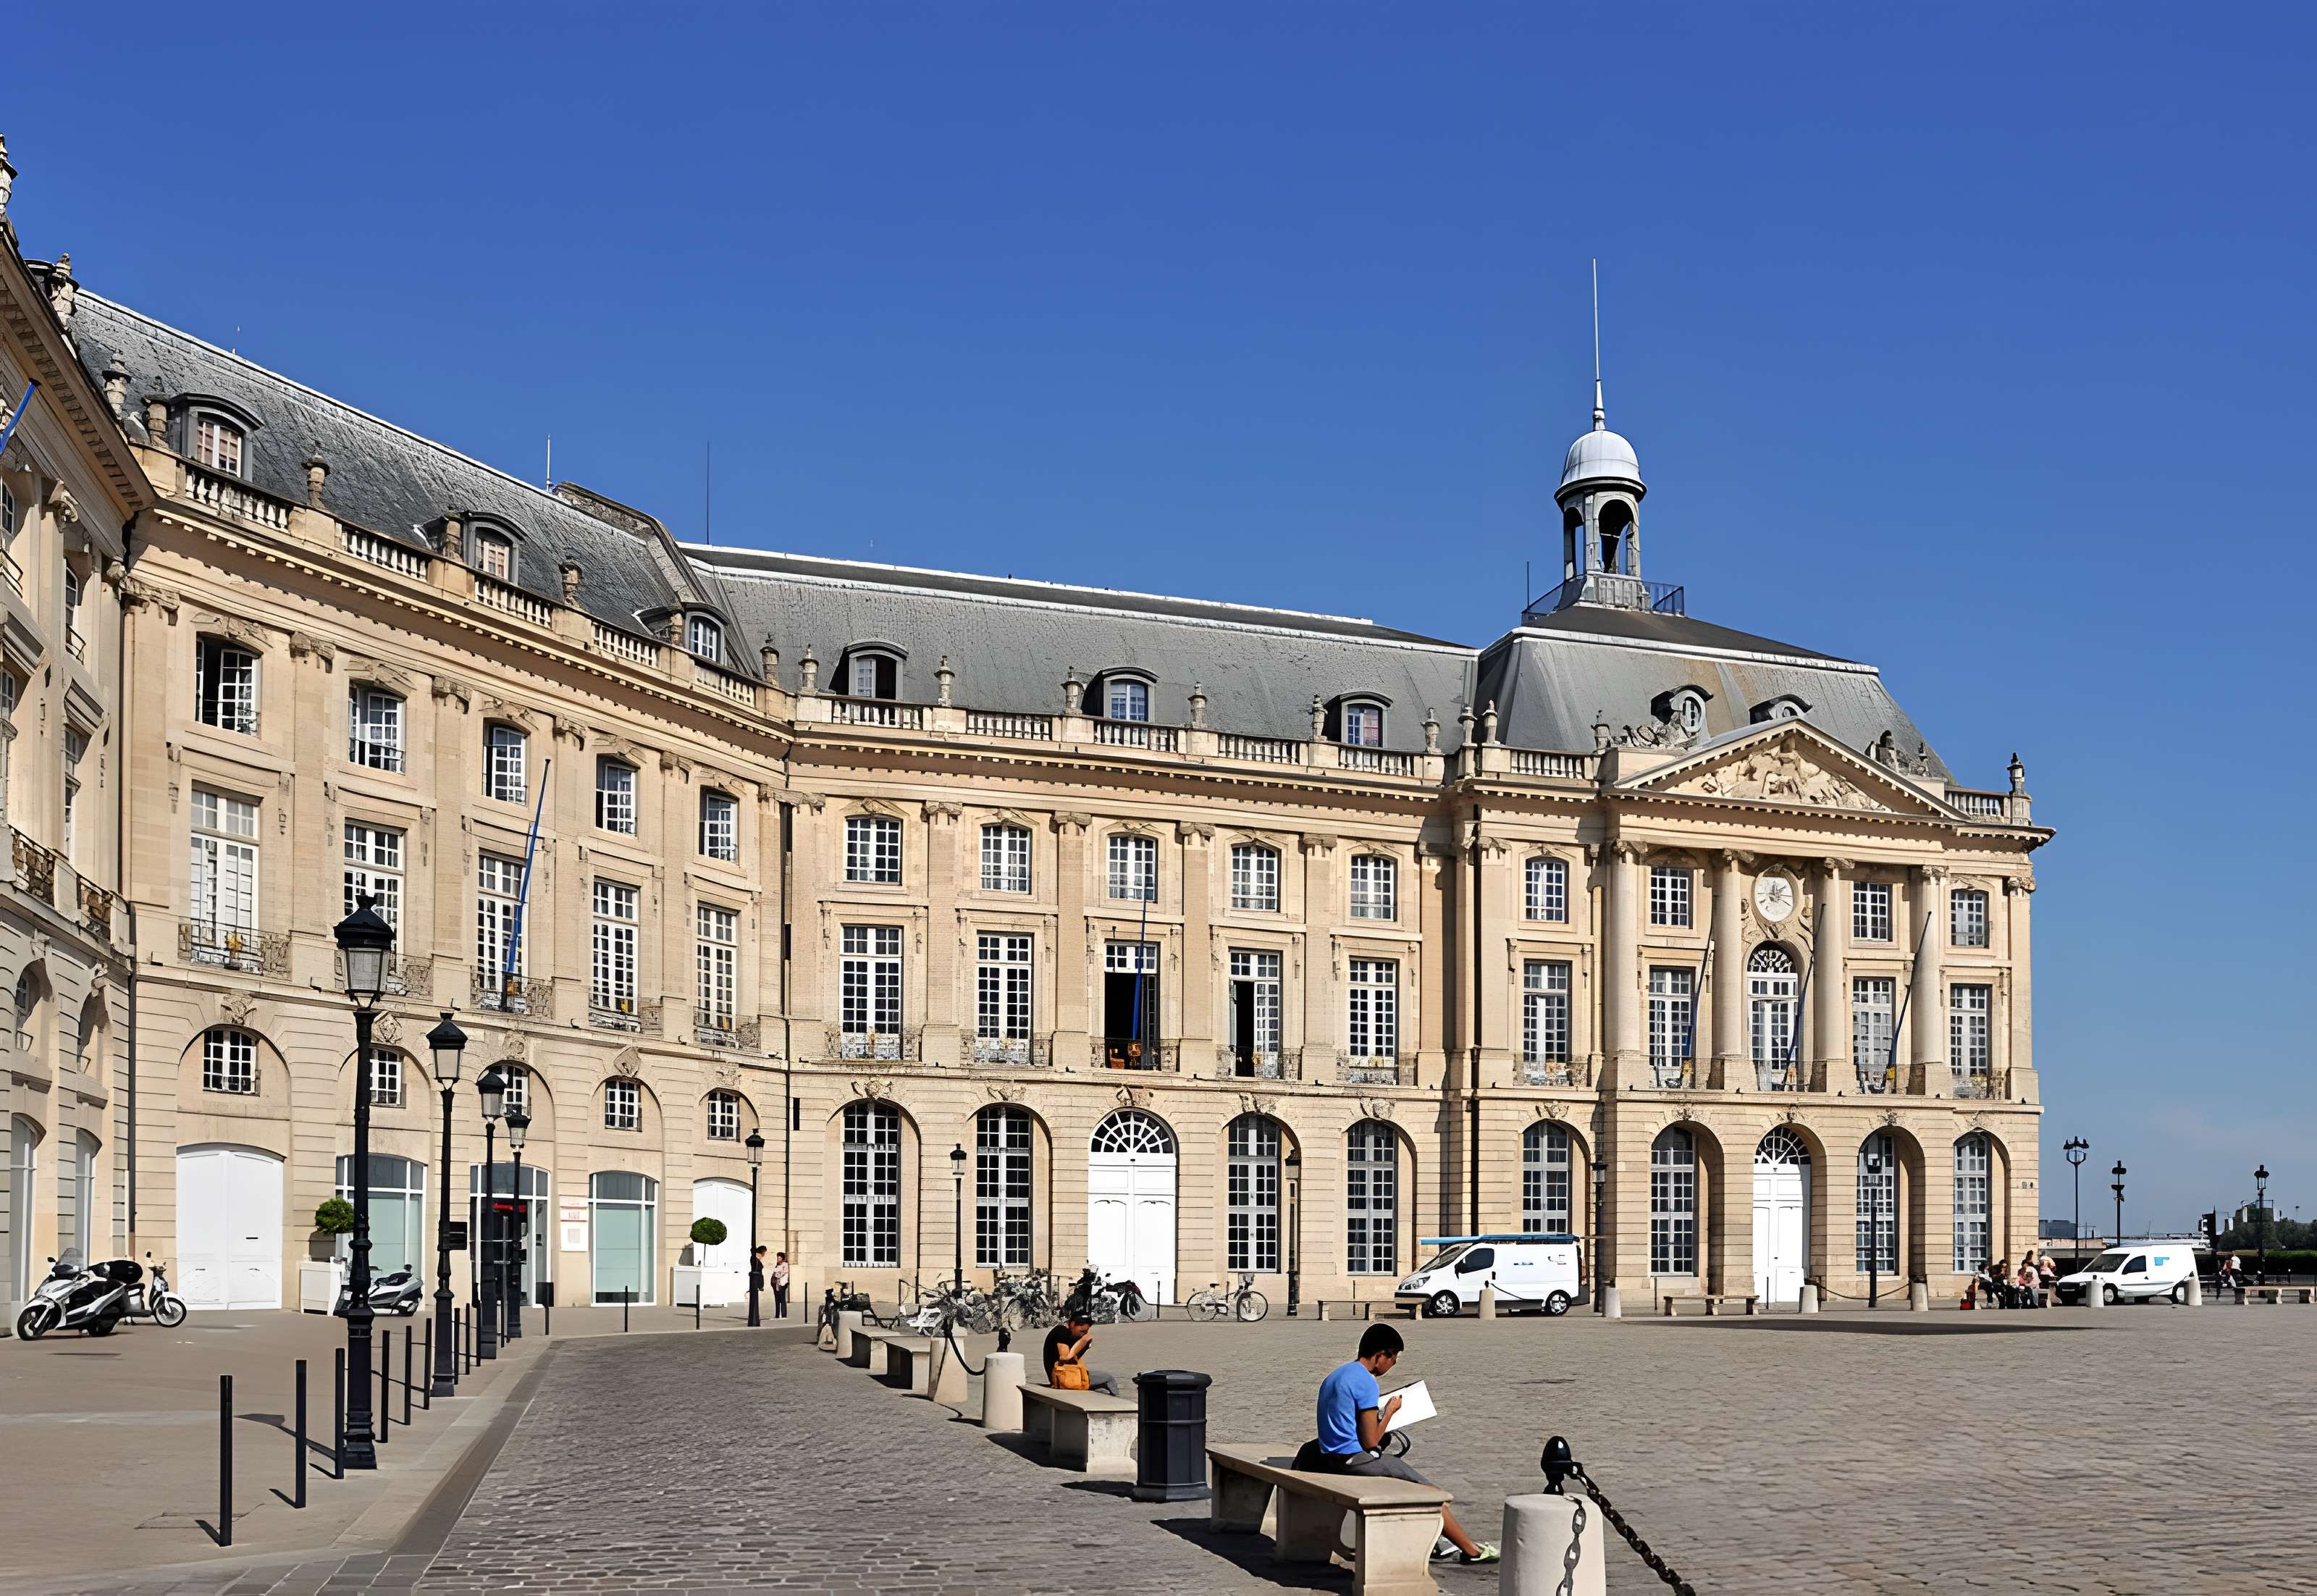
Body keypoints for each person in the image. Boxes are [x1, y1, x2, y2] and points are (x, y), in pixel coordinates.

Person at [1312, 1323, 1498, 1566]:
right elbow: (1371, 1441)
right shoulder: (1366, 1382)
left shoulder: (1338, 1375)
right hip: (1351, 1462)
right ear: (1380, 1356)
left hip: (1329, 1456)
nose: (1394, 1364)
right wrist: (1389, 1412)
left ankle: (1437, 1542)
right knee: (1430, 1493)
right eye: (1394, 1358)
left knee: (1405, 1481)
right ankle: (1471, 1551)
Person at [1042, 1310, 1120, 1395]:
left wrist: (1084, 1347)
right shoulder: (1062, 1332)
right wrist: (1084, 1343)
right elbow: (1065, 1359)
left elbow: (1072, 1361)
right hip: (1065, 1378)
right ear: (1072, 1325)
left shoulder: (1064, 1334)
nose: (1084, 1335)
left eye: (1086, 1332)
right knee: (1109, 1379)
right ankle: (1121, 1406)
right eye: (1082, 1332)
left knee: (1103, 1391)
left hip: (1062, 1378)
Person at [748, 1245, 767, 1326]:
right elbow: (755, 1268)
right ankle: (754, 1320)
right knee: (755, 1298)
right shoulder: (756, 1258)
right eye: (764, 1252)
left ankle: (754, 1318)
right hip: (757, 1277)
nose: (765, 1254)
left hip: (757, 1277)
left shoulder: (755, 1258)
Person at [771, 1251, 791, 1319]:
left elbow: (781, 1274)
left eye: (779, 1258)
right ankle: (777, 1314)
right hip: (776, 1284)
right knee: (777, 1299)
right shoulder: (777, 1265)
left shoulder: (785, 1265)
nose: (778, 1259)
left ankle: (783, 1314)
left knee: (782, 1299)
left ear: (782, 1258)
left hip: (782, 1284)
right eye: (778, 1258)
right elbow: (775, 1273)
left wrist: (777, 1274)